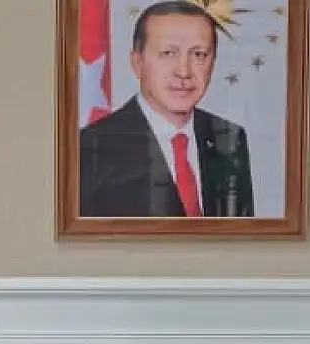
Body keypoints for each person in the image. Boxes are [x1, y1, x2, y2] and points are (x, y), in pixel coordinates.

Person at [78, 0, 254, 218]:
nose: (184, 71)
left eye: (199, 54)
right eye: (168, 53)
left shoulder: (229, 137)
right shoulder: (89, 147)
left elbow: (241, 235)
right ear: (137, 62)